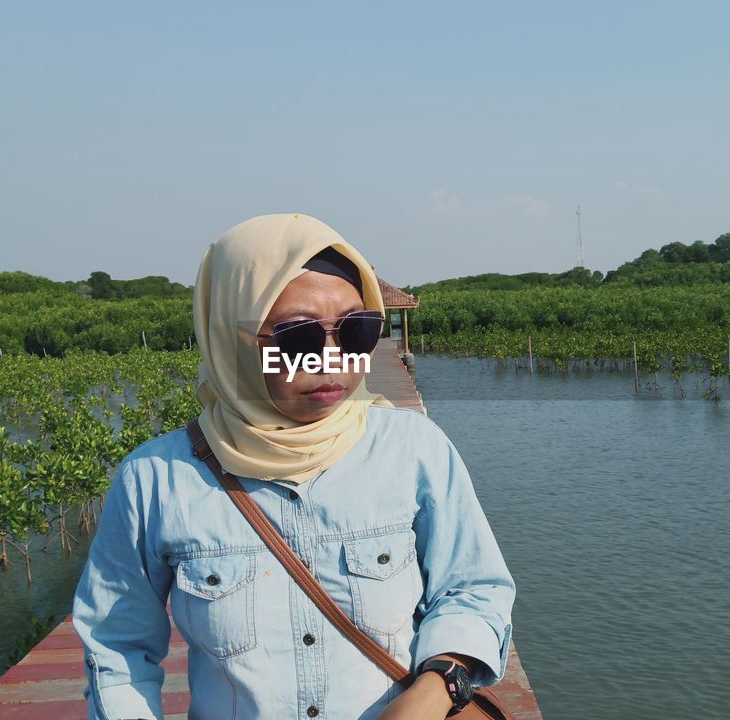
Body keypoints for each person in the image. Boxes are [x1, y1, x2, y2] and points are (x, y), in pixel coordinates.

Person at [72, 213, 515, 720]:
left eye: (356, 330)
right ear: (231, 339)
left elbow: (474, 589)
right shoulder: (153, 481)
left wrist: (437, 688)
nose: (329, 359)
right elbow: (116, 648)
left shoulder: (415, 451)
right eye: (298, 337)